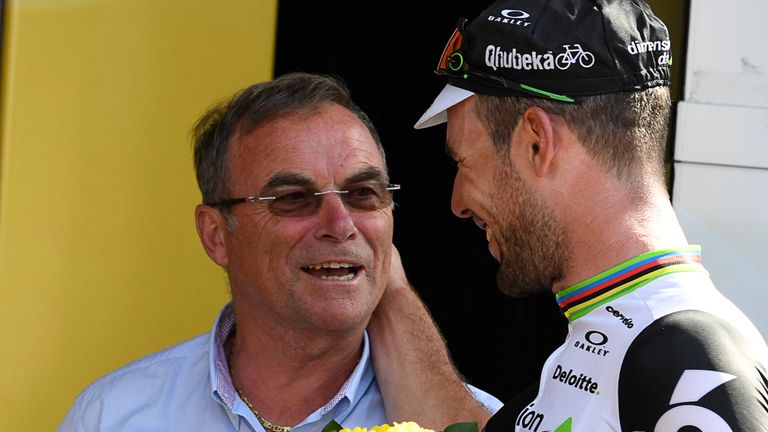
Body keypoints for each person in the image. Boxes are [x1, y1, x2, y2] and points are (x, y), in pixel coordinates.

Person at [368, 0, 768, 431]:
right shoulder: (608, 344)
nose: (457, 202)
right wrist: (386, 287)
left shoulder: (685, 353)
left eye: (463, 162)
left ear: (537, 143)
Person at [57, 72, 502, 432]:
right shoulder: (111, 416)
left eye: (364, 193)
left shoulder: (482, 420)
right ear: (216, 235)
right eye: (293, 198)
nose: (341, 225)